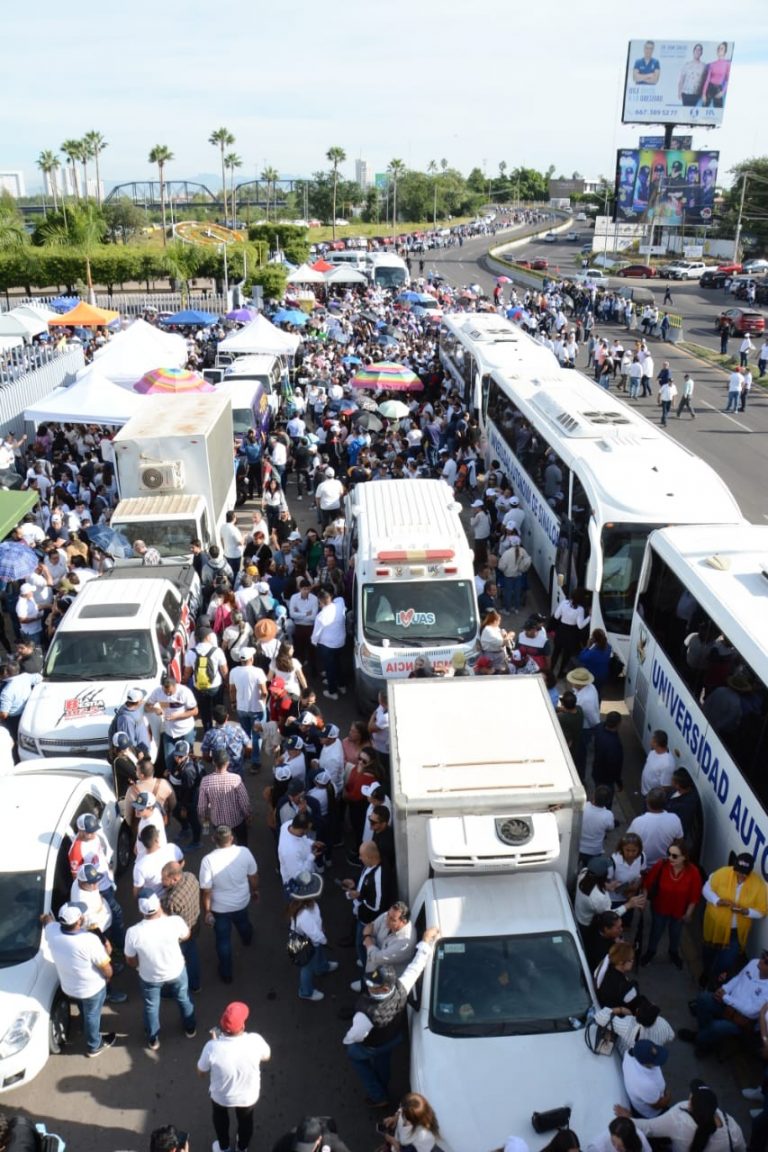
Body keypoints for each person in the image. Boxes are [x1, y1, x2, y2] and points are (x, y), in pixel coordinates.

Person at [343, 927, 440, 1107]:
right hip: (392, 1038)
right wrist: (426, 942)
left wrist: (347, 1041)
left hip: (371, 1044)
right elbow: (416, 966)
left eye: (374, 985)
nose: (370, 986)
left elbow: (355, 1036)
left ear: (386, 987)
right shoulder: (401, 987)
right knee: (383, 1061)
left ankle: (378, 1095)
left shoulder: (365, 1014)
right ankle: (383, 1085)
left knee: (354, 1056)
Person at [41, 902, 118, 1057]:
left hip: (70, 986)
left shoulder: (52, 931)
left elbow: (46, 920)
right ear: (78, 922)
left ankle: (86, 1026)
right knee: (92, 1014)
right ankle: (94, 1045)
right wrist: (109, 975)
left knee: (85, 1009)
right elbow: (105, 967)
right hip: (92, 988)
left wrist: (43, 916)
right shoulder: (89, 940)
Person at [124, 892, 196, 1051]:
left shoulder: (133, 932)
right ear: (159, 906)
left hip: (149, 976)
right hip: (176, 970)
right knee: (183, 998)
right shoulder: (174, 922)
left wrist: (138, 966)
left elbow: (129, 959)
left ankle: (153, 1039)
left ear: (141, 910)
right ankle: (190, 1028)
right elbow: (186, 935)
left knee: (151, 1006)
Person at [197, 1001, 271, 1152]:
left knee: (220, 1119)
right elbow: (267, 1057)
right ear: (242, 1026)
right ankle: (242, 1147)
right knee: (246, 1121)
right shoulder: (254, 1040)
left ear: (222, 1026)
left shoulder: (212, 1047)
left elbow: (201, 1072)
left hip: (221, 1096)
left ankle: (223, 1148)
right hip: (247, 1096)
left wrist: (214, 1043)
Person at [199, 824, 259, 985]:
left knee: (223, 941)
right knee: (243, 923)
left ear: (213, 839)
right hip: (241, 902)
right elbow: (253, 877)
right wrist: (254, 891)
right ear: (231, 838)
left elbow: (206, 890)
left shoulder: (208, 861)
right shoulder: (244, 852)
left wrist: (207, 911)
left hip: (220, 909)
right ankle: (247, 938)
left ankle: (226, 973)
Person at [616, 1080, 746, 1152]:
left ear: (690, 1104)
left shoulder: (678, 1119)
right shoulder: (732, 1127)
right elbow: (742, 1148)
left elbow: (648, 1128)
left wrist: (628, 1119)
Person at [678, 951, 768, 1055]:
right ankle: (705, 1038)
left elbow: (751, 1011)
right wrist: (724, 989)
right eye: (763, 956)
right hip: (726, 1003)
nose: (761, 960)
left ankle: (698, 1038)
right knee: (703, 998)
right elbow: (738, 978)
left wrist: (725, 998)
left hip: (741, 1021)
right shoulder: (753, 963)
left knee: (717, 1027)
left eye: (766, 961)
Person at [700, 852, 768, 989]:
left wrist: (746, 911)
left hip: (735, 932)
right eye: (739, 872)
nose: (741, 876)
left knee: (726, 962)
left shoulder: (758, 885)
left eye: (745, 874)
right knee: (709, 953)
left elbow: (761, 911)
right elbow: (706, 888)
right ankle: (706, 974)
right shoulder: (722, 873)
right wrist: (717, 901)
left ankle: (714, 983)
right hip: (715, 927)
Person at [640, 839, 702, 969]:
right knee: (656, 932)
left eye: (674, 856)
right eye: (669, 854)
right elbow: (647, 883)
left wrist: (688, 913)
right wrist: (643, 900)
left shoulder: (693, 872)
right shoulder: (661, 865)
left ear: (684, 857)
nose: (670, 858)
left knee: (676, 933)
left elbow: (694, 896)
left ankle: (673, 953)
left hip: (679, 912)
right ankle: (651, 952)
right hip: (659, 909)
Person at [286, 870, 338, 1002]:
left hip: (313, 940)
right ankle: (305, 992)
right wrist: (324, 940)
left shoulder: (306, 905)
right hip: (307, 943)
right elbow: (314, 934)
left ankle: (321, 967)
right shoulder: (304, 916)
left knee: (318, 954)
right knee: (306, 968)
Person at [160, 861, 202, 995]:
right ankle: (196, 985)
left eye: (164, 879)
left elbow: (166, 919)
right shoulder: (190, 876)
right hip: (194, 924)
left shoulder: (173, 900)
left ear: (175, 878)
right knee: (192, 954)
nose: (162, 882)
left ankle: (172, 990)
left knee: (175, 962)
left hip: (181, 935)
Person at [198, 748, 252, 846]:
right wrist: (248, 816)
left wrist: (205, 820)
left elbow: (202, 807)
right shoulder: (236, 779)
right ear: (228, 762)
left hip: (217, 823)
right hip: (237, 821)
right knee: (242, 842)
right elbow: (245, 803)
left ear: (213, 762)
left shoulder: (205, 781)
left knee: (222, 845)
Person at [628, 788, 683, 867]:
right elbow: (679, 841)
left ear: (647, 803)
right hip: (663, 865)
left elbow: (628, 842)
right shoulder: (675, 819)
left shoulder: (638, 822)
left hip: (642, 864)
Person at [620, 1039, 670, 1119]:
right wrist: (668, 1095)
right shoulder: (645, 1084)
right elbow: (657, 1105)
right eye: (654, 1061)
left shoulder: (629, 1053)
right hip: (653, 1114)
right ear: (644, 1063)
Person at [594, 941, 639, 1010]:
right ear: (621, 962)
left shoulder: (608, 968)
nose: (633, 962)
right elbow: (634, 1007)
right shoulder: (624, 987)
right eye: (631, 960)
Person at [592, 713, 624, 805]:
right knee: (606, 800)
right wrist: (619, 782)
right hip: (606, 778)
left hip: (596, 771)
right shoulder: (614, 745)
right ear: (618, 724)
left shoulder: (599, 729)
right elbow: (615, 766)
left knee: (598, 793)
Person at [579, 787, 615, 865]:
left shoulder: (583, 806)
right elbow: (610, 828)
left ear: (594, 796)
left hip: (578, 847)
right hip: (594, 850)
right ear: (608, 801)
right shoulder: (608, 815)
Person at [639, 731, 675, 797]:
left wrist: (653, 798)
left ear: (656, 744)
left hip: (650, 797)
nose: (650, 741)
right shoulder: (654, 751)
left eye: (652, 740)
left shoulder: (667, 764)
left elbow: (665, 787)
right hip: (645, 790)